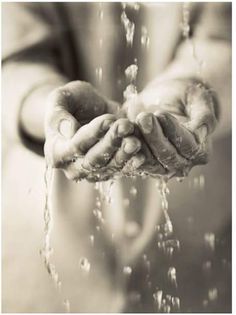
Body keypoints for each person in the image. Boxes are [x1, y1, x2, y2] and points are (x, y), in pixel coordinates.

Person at [2, 2, 231, 312]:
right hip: (41, 250)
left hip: (201, 242)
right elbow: (11, 57)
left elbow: (224, 36)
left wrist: (195, 86)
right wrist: (49, 110)